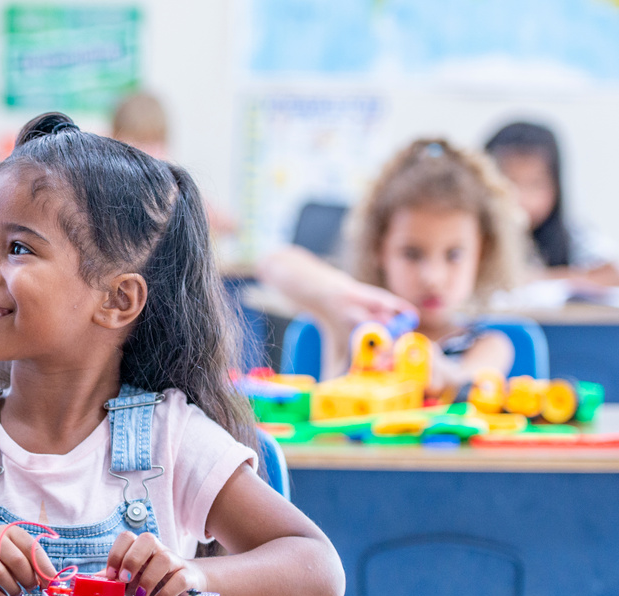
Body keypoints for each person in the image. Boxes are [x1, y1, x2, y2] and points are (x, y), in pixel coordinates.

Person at [0, 113, 344, 596]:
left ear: (118, 299)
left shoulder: (169, 436)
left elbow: (317, 566)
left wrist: (194, 578)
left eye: (17, 248)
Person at [258, 138, 524, 393]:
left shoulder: (489, 346)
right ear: (378, 248)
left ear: (483, 252)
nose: (433, 277)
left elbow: (467, 381)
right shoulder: (349, 326)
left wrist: (435, 369)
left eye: (453, 255)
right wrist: (341, 293)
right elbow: (274, 263)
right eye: (412, 254)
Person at [484, 121, 619, 286]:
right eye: (508, 183)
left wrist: (537, 279)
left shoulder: (571, 233)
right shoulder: (473, 232)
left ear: (556, 186)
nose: (521, 198)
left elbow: (612, 272)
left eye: (536, 184)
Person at [110, 91, 239, 237]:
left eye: (154, 142)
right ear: (114, 139)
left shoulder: (171, 185)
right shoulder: (108, 185)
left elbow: (224, 219)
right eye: (137, 143)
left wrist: (224, 221)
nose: (146, 153)